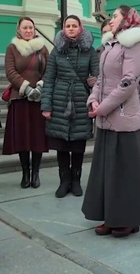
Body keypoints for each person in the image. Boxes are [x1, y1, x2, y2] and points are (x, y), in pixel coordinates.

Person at [82, 5, 140, 238]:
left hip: (123, 118)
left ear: (127, 19)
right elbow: (102, 79)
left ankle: (129, 219)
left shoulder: (134, 45)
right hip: (105, 118)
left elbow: (128, 82)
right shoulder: (111, 45)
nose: (110, 20)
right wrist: (93, 99)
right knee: (108, 171)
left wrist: (102, 107)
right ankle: (111, 217)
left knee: (125, 172)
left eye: (114, 16)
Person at [41, 15, 99, 198]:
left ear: (80, 28)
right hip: (60, 100)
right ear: (63, 29)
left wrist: (94, 96)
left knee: (78, 144)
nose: (71, 28)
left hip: (81, 101)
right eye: (68, 26)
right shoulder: (56, 51)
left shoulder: (89, 51)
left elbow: (97, 78)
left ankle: (76, 181)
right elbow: (48, 79)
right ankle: (64, 181)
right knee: (62, 145)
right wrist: (46, 105)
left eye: (74, 25)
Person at [2, 17, 49, 189]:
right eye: (25, 28)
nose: (28, 30)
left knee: (37, 137)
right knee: (22, 137)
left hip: (38, 99)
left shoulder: (42, 48)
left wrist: (40, 87)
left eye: (31, 27)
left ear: (34, 29)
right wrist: (26, 88)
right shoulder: (12, 48)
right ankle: (25, 173)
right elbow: (10, 71)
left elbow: (48, 70)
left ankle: (36, 172)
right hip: (20, 98)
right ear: (19, 30)